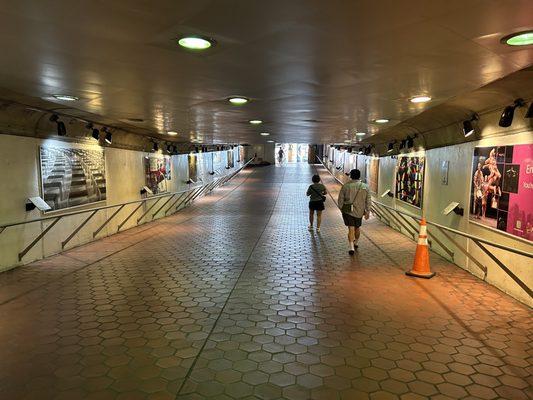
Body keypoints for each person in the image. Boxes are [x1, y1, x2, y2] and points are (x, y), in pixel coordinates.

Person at [338, 169, 371, 255]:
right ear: (359, 176)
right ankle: (356, 242)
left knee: (351, 228)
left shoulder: (346, 186)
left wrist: (341, 208)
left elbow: (340, 198)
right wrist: (368, 211)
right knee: (357, 227)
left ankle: (351, 247)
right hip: (360, 211)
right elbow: (368, 200)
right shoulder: (365, 187)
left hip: (348, 210)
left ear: (351, 176)